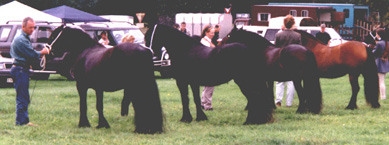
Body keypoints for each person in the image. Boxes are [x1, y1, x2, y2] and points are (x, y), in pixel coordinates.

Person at [10, 17, 50, 126]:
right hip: (20, 70)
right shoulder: (21, 39)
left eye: (34, 27)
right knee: (22, 97)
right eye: (30, 27)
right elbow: (32, 54)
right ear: (23, 27)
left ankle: (23, 120)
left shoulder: (22, 37)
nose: (33, 30)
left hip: (21, 69)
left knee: (24, 96)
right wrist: (44, 51)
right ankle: (21, 122)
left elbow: (29, 54)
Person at [274, 15, 301, 107]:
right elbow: (299, 49)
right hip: (293, 61)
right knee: (291, 82)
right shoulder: (297, 36)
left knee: (279, 82)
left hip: (281, 59)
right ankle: (289, 103)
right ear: (293, 24)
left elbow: (275, 48)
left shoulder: (278, 35)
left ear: (284, 23)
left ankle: (278, 101)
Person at [200, 25, 215, 111]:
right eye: (211, 33)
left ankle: (203, 102)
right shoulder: (205, 41)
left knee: (207, 86)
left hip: (207, 65)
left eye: (213, 33)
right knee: (210, 85)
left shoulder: (208, 40)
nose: (213, 34)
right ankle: (207, 105)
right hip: (207, 65)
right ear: (206, 33)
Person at [373, 28, 388, 100]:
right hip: (386, 63)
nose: (376, 35)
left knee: (381, 81)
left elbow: (374, 53)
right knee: (382, 80)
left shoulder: (379, 43)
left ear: (379, 35)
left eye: (376, 34)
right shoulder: (387, 42)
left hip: (379, 63)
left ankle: (383, 96)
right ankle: (382, 96)